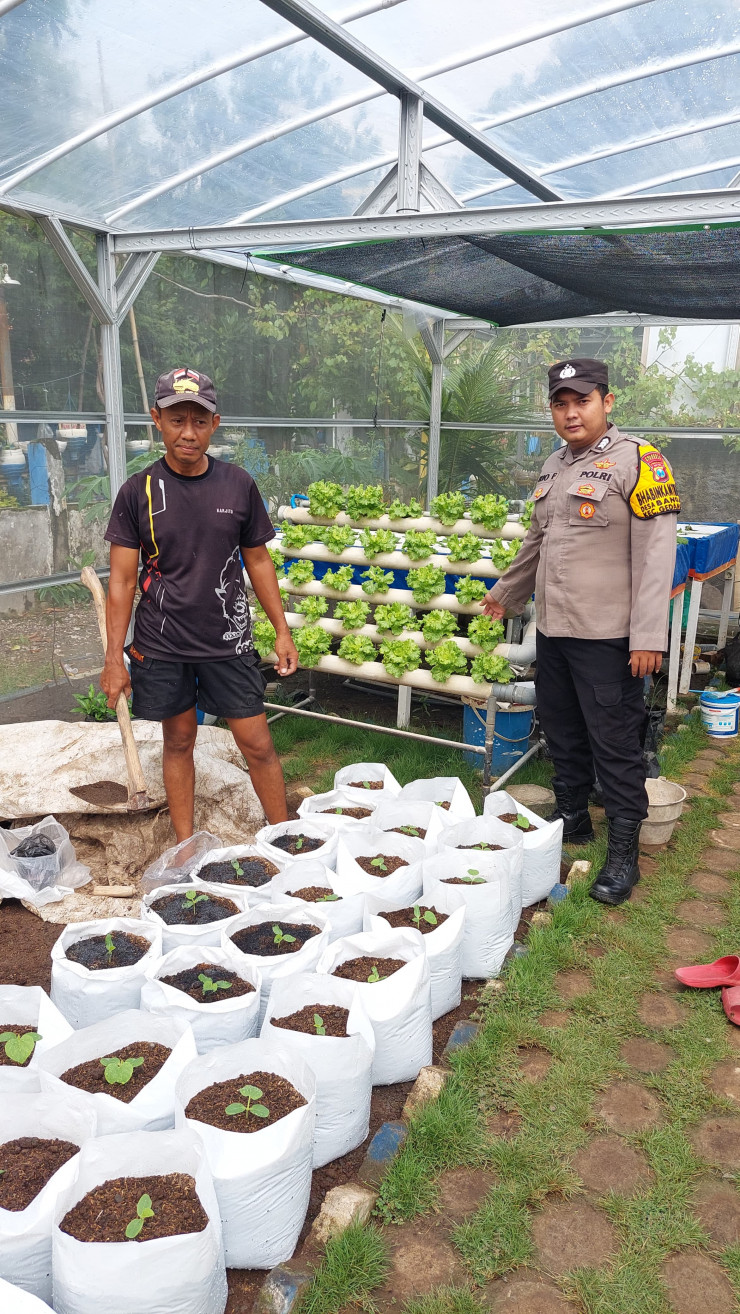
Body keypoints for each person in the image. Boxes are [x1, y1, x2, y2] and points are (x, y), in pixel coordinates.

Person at [482, 359, 680, 905]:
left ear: (607, 402)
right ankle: (573, 819)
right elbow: (537, 541)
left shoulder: (641, 462)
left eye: (582, 401)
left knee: (614, 744)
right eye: (560, 404)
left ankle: (623, 855)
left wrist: (648, 637)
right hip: (555, 629)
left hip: (608, 636)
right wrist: (505, 593)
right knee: (562, 729)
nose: (571, 413)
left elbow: (656, 556)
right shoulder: (554, 464)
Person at [101, 367, 298, 842]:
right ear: (157, 420)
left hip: (227, 639)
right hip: (163, 643)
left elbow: (258, 561)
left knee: (257, 743)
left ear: (215, 424)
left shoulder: (237, 485)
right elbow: (122, 581)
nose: (187, 432)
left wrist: (282, 630)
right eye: (176, 420)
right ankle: (186, 846)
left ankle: (286, 840)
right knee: (179, 740)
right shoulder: (138, 492)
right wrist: (113, 659)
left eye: (199, 421)